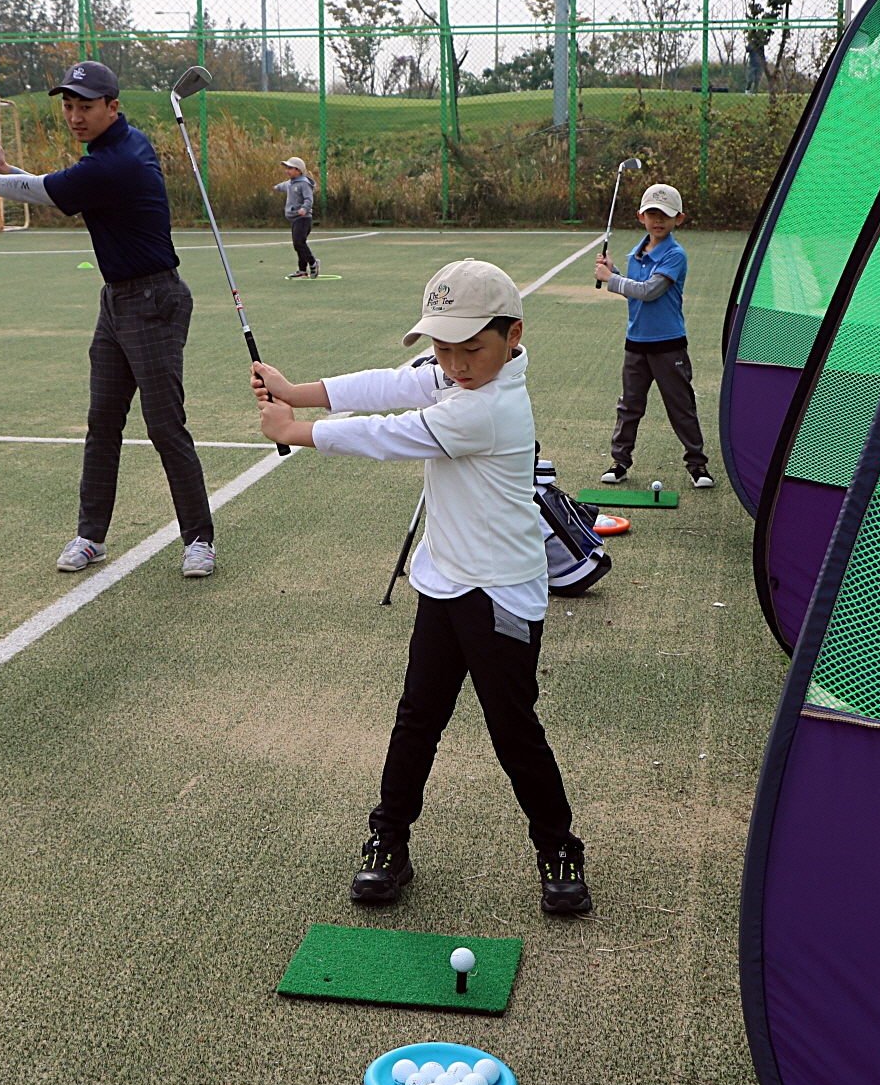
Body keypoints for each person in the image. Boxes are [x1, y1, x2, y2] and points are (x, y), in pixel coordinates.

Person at [252, 259, 594, 917]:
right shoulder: (459, 374)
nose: (455, 364)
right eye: (443, 347)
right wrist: (299, 391)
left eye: (471, 348)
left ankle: (559, 848)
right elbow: (391, 383)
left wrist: (295, 429)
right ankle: (389, 840)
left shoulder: (490, 407)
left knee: (513, 730)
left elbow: (391, 435)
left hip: (501, 593)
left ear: (513, 335)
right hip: (443, 581)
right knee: (418, 719)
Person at [0, 59, 217, 580]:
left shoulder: (119, 158)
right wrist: (8, 172)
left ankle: (199, 540)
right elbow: (63, 189)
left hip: (154, 299)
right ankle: (91, 537)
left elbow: (57, 191)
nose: (75, 117)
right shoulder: (111, 150)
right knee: (103, 423)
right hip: (117, 301)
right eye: (69, 107)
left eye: (86, 106)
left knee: (165, 426)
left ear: (112, 107)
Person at [593, 183, 713, 488]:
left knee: (681, 407)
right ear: (641, 216)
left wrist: (611, 279)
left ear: (679, 219)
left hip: (668, 344)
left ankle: (697, 464)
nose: (658, 220)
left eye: (666, 215)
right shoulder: (636, 254)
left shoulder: (675, 254)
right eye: (652, 213)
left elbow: (649, 291)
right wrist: (615, 271)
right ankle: (620, 461)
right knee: (629, 406)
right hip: (636, 343)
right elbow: (634, 290)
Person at [273, 156, 317, 279]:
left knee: (299, 243)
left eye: (290, 168)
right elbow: (284, 185)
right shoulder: (290, 183)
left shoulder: (304, 184)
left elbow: (308, 199)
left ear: (298, 170)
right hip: (295, 219)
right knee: (298, 244)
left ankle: (313, 262)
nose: (287, 170)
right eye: (287, 168)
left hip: (303, 219)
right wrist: (276, 187)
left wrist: (304, 209)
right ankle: (302, 270)